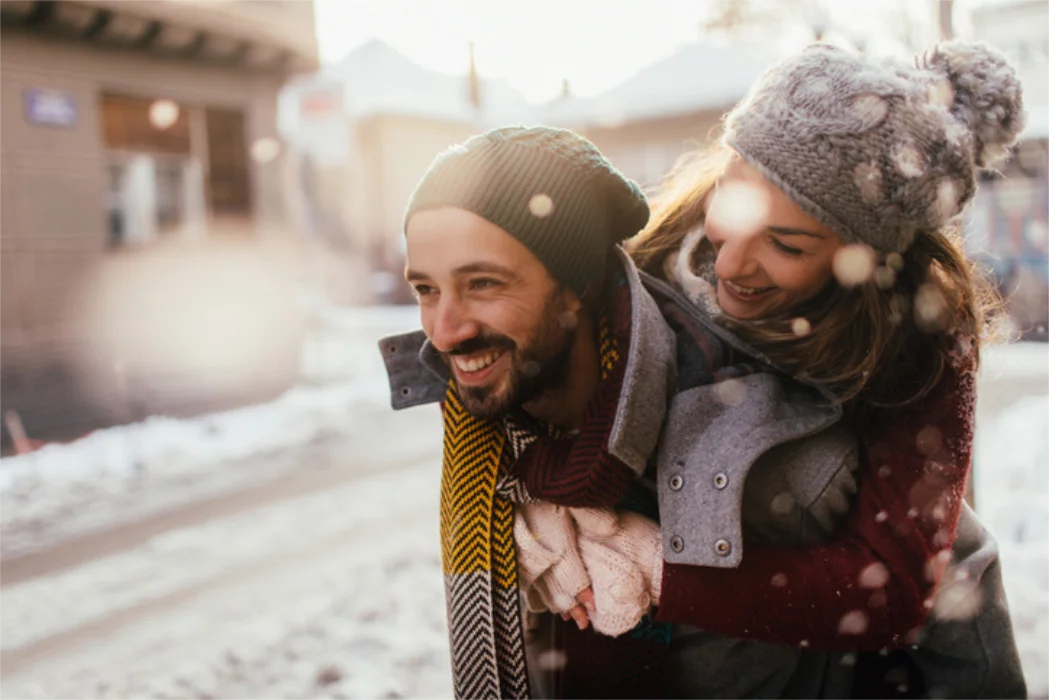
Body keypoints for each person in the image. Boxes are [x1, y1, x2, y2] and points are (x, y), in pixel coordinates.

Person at [514, 40, 1028, 699]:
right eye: (731, 203)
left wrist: (660, 571)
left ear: (864, 258)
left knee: (921, 528)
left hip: (822, 655)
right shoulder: (638, 261)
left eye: (785, 244)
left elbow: (896, 586)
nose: (729, 264)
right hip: (625, 654)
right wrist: (546, 515)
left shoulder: (917, 337)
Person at [379, 125, 868, 699]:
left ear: (577, 286)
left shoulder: (778, 462)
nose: (444, 331)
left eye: (483, 283)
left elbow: (945, 629)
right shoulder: (488, 455)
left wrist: (675, 575)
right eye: (426, 289)